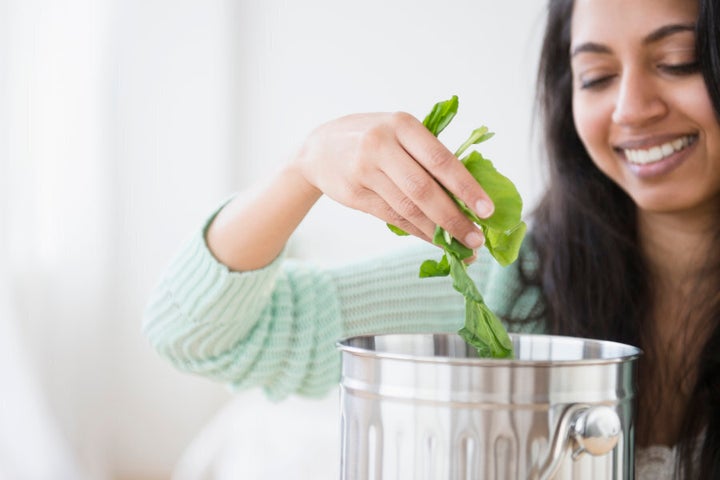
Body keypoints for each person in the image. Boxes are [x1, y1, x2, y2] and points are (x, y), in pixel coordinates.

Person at [143, 0, 720, 477]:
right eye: (596, 77)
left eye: (679, 61)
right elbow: (194, 334)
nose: (631, 109)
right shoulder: (506, 286)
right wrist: (304, 166)